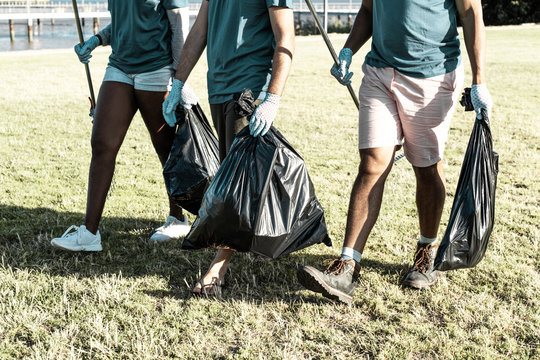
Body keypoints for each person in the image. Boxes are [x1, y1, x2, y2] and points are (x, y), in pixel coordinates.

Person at [297, 0, 493, 304]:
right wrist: (349, 50)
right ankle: (347, 265)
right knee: (372, 163)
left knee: (426, 167)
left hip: (432, 78)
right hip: (380, 73)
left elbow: (470, 12)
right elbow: (367, 9)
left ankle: (425, 251)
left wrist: (479, 80)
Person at [162, 0, 295, 295]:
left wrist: (271, 98)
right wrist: (178, 82)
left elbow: (286, 36)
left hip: (248, 87)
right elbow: (199, 31)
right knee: (233, 172)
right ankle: (269, 233)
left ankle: (218, 269)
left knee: (237, 180)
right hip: (218, 86)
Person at [51, 0, 192, 251]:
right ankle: (89, 234)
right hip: (119, 66)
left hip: (157, 68)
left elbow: (179, 27)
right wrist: (96, 40)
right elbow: (124, 24)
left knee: (166, 148)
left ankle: (178, 217)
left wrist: (179, 81)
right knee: (102, 143)